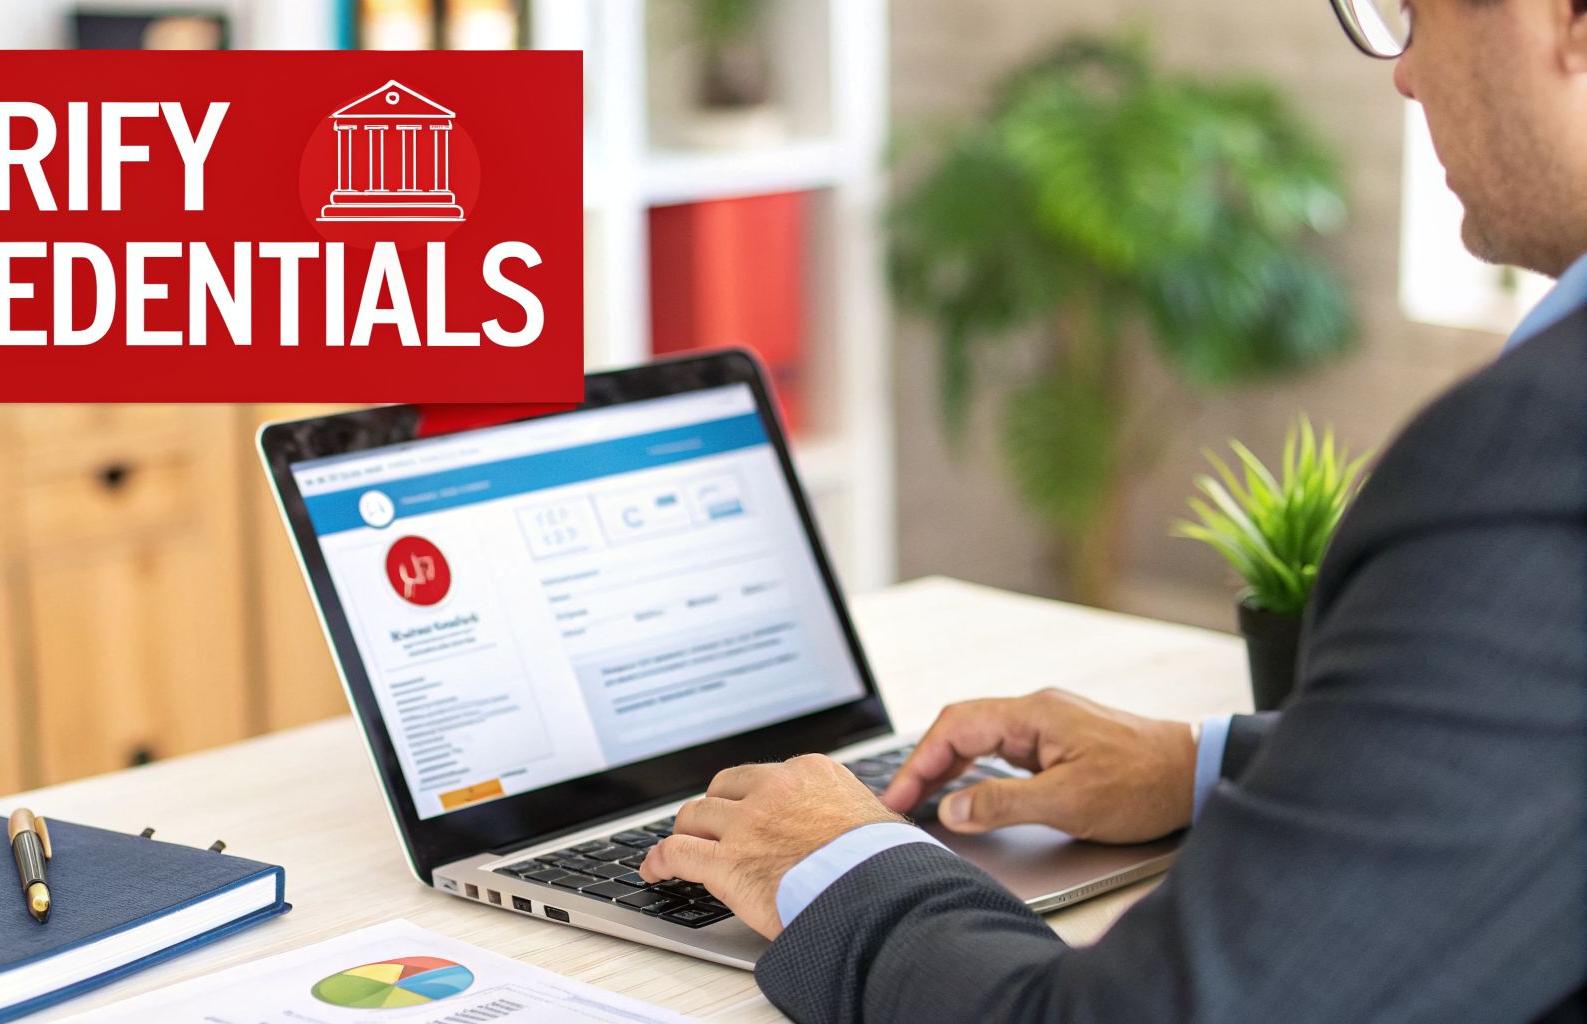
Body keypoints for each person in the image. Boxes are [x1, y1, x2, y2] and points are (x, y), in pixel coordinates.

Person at [637, 0, 1587, 1019]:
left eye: (1417, 10)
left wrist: (842, 863)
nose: (1402, 74)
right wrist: (1198, 765)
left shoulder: (1531, 447)